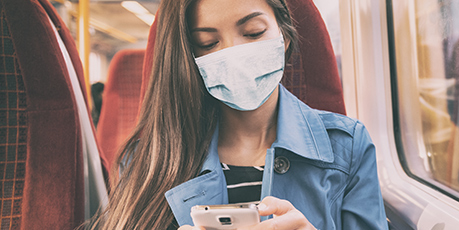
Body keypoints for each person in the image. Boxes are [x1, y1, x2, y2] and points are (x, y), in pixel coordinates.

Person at [86, 0, 387, 229]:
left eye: (253, 33)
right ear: (189, 58)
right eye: (208, 44)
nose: (235, 56)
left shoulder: (348, 145)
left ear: (283, 36)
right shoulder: (146, 160)